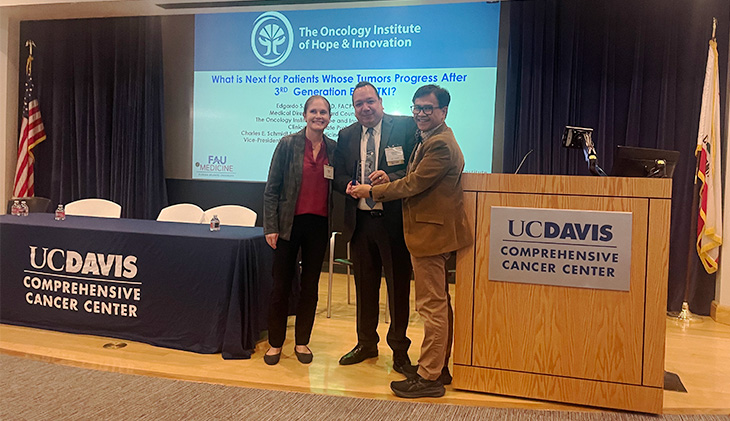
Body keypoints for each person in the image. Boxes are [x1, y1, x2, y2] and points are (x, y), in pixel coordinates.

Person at [349, 85, 472, 398]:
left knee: (432, 306)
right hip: (426, 232)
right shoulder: (429, 138)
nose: (420, 113)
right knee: (437, 303)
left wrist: (373, 192)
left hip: (431, 235)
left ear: (443, 111)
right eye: (417, 107)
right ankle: (438, 367)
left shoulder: (441, 144)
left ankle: (428, 376)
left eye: (428, 108)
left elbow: (415, 183)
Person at [333, 81, 417, 373]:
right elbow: (337, 174)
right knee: (364, 288)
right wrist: (347, 186)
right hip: (360, 222)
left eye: (370, 102)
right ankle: (366, 343)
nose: (365, 108)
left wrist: (390, 176)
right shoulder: (346, 135)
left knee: (397, 289)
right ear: (354, 108)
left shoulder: (405, 128)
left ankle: (399, 350)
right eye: (359, 104)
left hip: (393, 222)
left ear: (381, 102)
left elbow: (415, 168)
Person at [263, 95, 337, 366]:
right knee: (281, 286)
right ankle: (274, 344)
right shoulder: (288, 144)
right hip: (287, 225)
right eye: (314, 111)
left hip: (319, 226)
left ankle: (302, 341)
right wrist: (270, 226)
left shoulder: (334, 148)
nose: (319, 116)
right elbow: (272, 189)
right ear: (305, 115)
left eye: (324, 112)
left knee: (310, 287)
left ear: (330, 117)